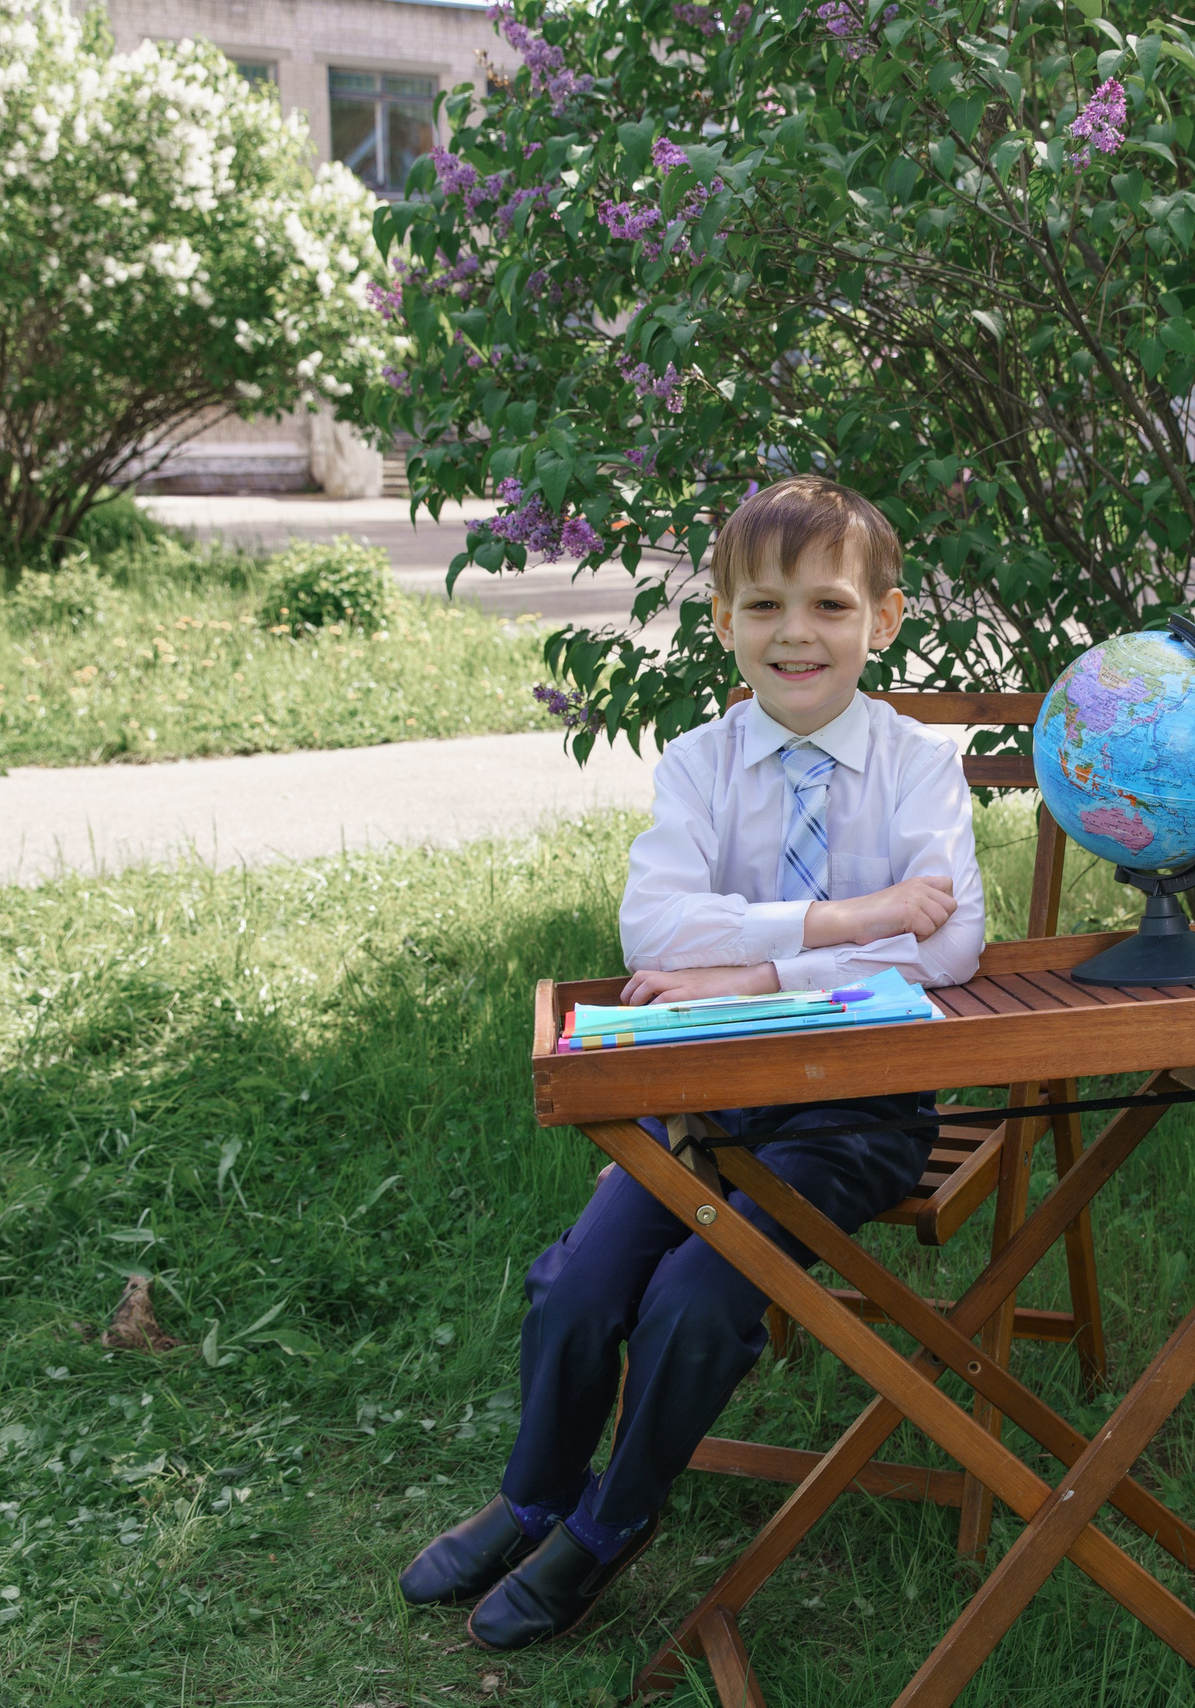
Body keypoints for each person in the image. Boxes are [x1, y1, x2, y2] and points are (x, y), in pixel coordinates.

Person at [398, 474, 986, 1650]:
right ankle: (533, 1492)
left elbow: (954, 943)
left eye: (826, 604)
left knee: (695, 1297)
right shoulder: (699, 763)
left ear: (883, 618)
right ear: (722, 622)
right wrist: (836, 924)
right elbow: (652, 935)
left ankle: (610, 1524)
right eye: (763, 607)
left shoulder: (921, 765)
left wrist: (754, 974)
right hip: (701, 1103)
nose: (796, 634)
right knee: (574, 1280)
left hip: (858, 1111)